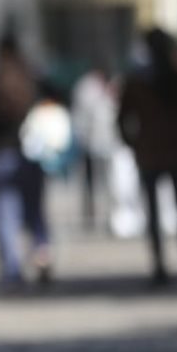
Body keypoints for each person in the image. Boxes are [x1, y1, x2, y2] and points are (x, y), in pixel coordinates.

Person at [117, 28, 177, 285]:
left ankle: (170, 261)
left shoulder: (167, 81)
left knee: (164, 210)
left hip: (157, 153)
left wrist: (134, 143)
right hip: (166, 152)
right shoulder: (171, 81)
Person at [0, 35, 52, 290]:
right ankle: (41, 254)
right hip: (32, 154)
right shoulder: (33, 81)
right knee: (35, 211)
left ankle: (12, 270)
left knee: (5, 215)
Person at [71, 65, 119, 230]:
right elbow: (82, 114)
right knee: (90, 182)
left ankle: (111, 215)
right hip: (90, 142)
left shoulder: (113, 85)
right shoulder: (86, 87)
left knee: (110, 181)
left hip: (109, 143)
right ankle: (91, 216)